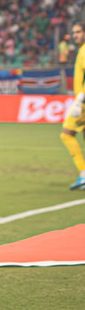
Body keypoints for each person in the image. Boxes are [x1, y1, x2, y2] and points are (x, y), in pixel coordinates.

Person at [61, 21, 85, 190]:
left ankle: (83, 174)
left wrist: (80, 99)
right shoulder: (81, 51)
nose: (75, 35)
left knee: (67, 134)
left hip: (83, 102)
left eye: (78, 32)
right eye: (74, 32)